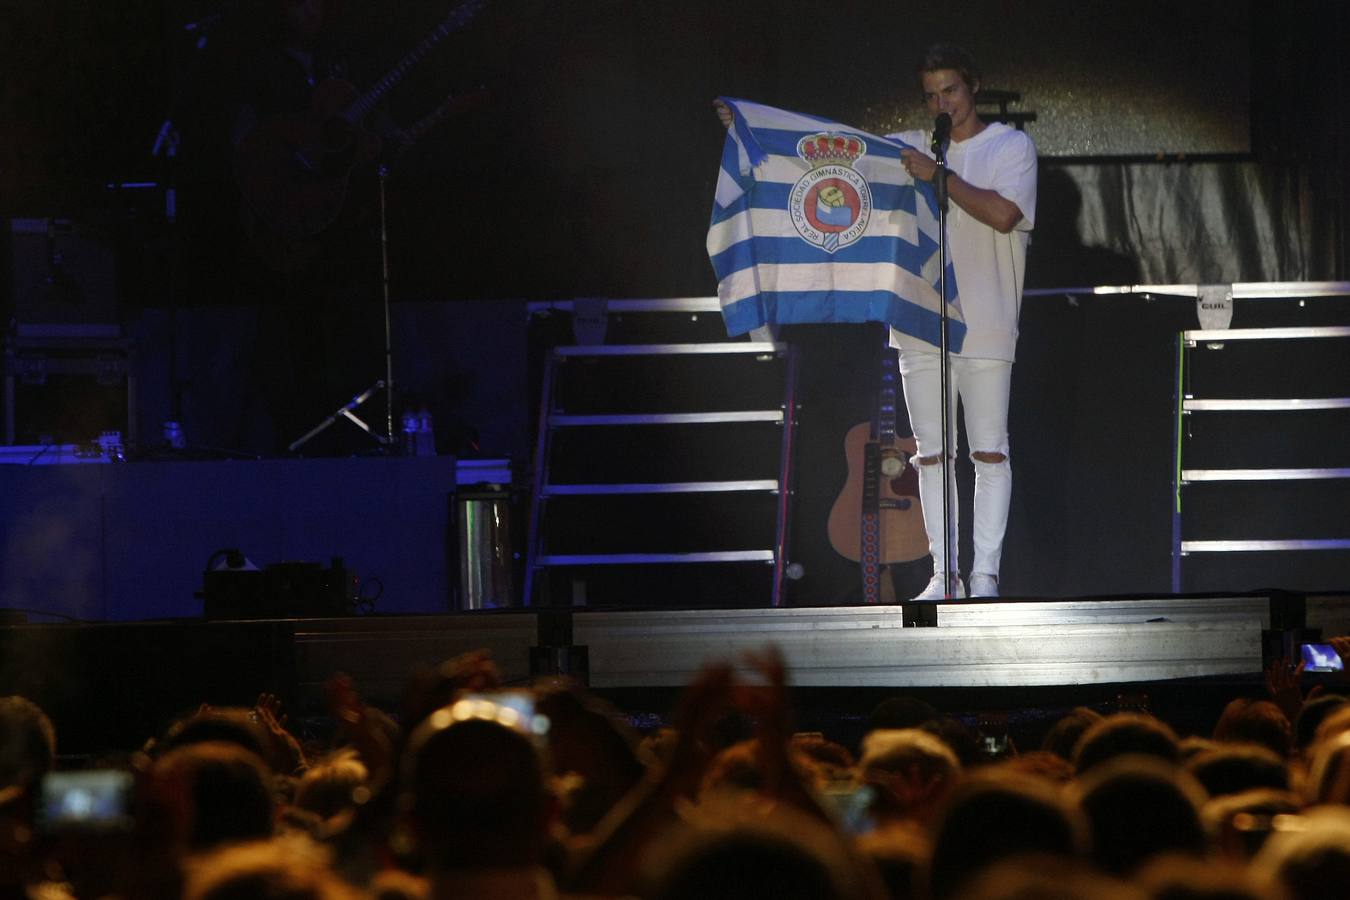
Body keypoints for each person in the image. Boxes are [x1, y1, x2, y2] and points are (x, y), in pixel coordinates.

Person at [891, 43, 1038, 600]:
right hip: (918, 319)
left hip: (987, 319)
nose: (941, 103)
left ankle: (983, 578)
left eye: (949, 90)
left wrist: (938, 176)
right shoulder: (909, 147)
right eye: (931, 94)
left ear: (972, 87)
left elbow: (1005, 214)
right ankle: (943, 573)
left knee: (989, 451)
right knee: (930, 454)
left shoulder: (1010, 146)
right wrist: (752, 126)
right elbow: (837, 159)